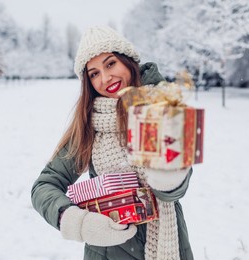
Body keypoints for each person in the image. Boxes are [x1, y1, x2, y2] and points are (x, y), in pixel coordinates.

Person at [31, 25, 193, 260]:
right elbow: (44, 186)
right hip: (107, 253)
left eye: (110, 64)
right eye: (94, 73)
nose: (106, 78)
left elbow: (173, 193)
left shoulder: (165, 108)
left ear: (128, 61)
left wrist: (168, 174)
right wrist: (81, 223)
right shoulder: (90, 125)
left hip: (169, 244)